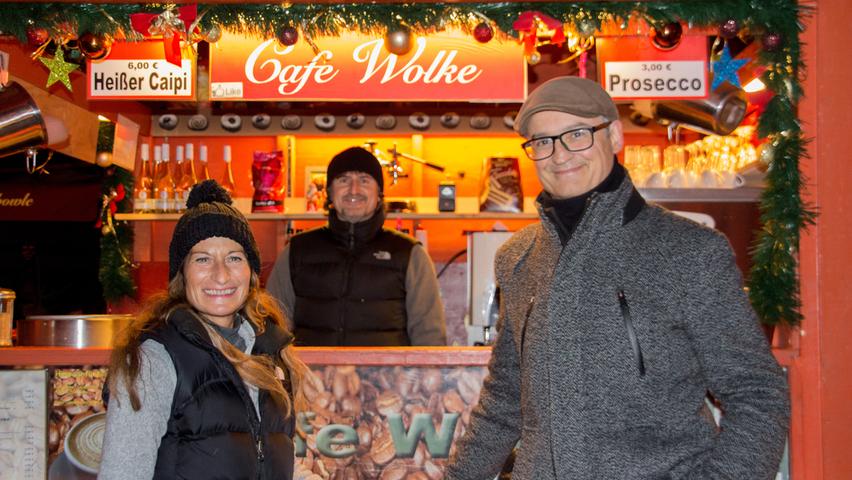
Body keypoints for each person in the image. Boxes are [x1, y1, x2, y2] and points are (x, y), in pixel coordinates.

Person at [445, 77, 790, 479]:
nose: (559, 155)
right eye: (542, 142)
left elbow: (758, 393)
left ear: (613, 135)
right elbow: (504, 401)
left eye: (576, 134)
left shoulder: (689, 252)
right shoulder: (517, 258)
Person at [99, 180, 308, 480]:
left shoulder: (270, 351)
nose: (220, 275)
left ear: (251, 273)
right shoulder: (153, 359)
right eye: (202, 259)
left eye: (234, 258)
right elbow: (122, 473)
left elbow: (272, 458)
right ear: (182, 274)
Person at [267, 146, 446, 346]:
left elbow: (430, 337)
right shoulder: (296, 251)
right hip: (310, 377)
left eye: (364, 180)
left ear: (379, 193)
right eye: (343, 180)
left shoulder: (410, 255)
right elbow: (273, 329)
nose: (354, 190)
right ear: (329, 192)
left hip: (385, 378)